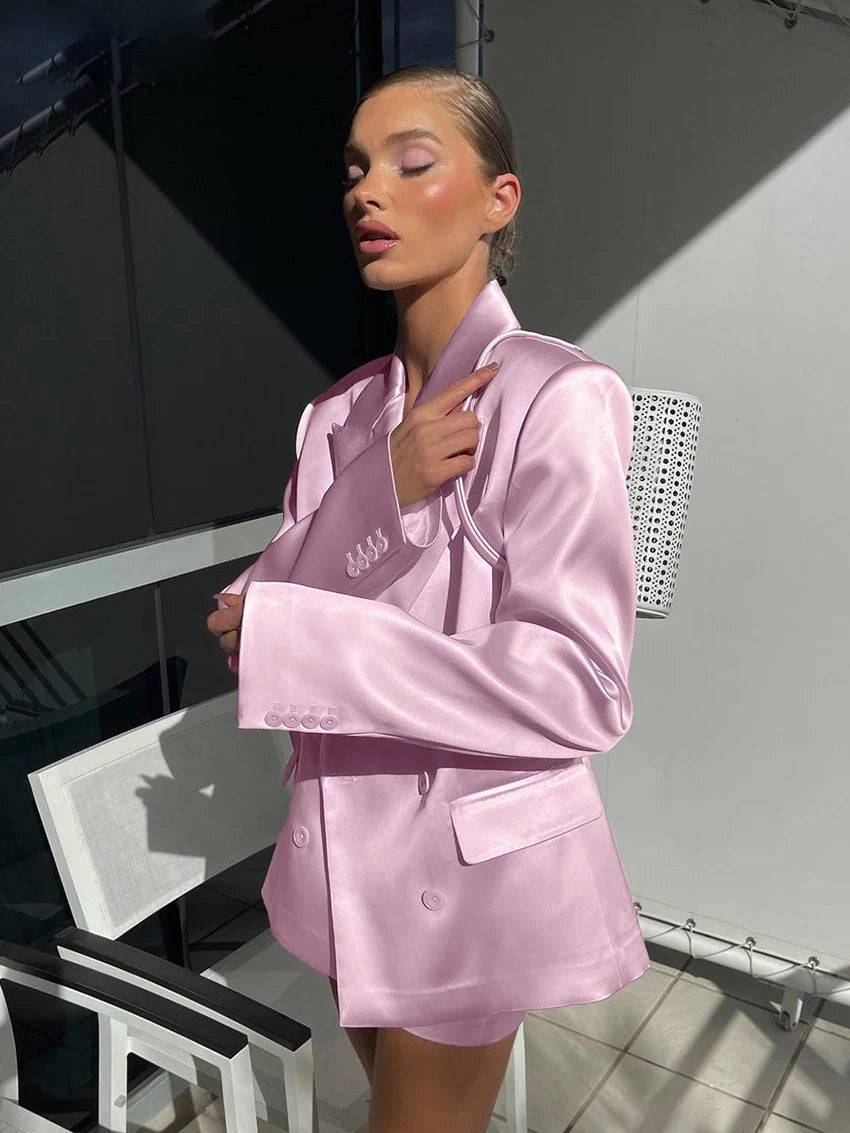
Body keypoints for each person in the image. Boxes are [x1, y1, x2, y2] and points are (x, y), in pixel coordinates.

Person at [208, 64, 647, 1133]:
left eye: (412, 163)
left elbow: (580, 684)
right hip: (339, 852)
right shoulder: (338, 417)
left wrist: (293, 639)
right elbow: (256, 620)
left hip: (467, 873)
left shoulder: (557, 395)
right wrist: (382, 489)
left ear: (500, 199)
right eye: (356, 169)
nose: (368, 191)